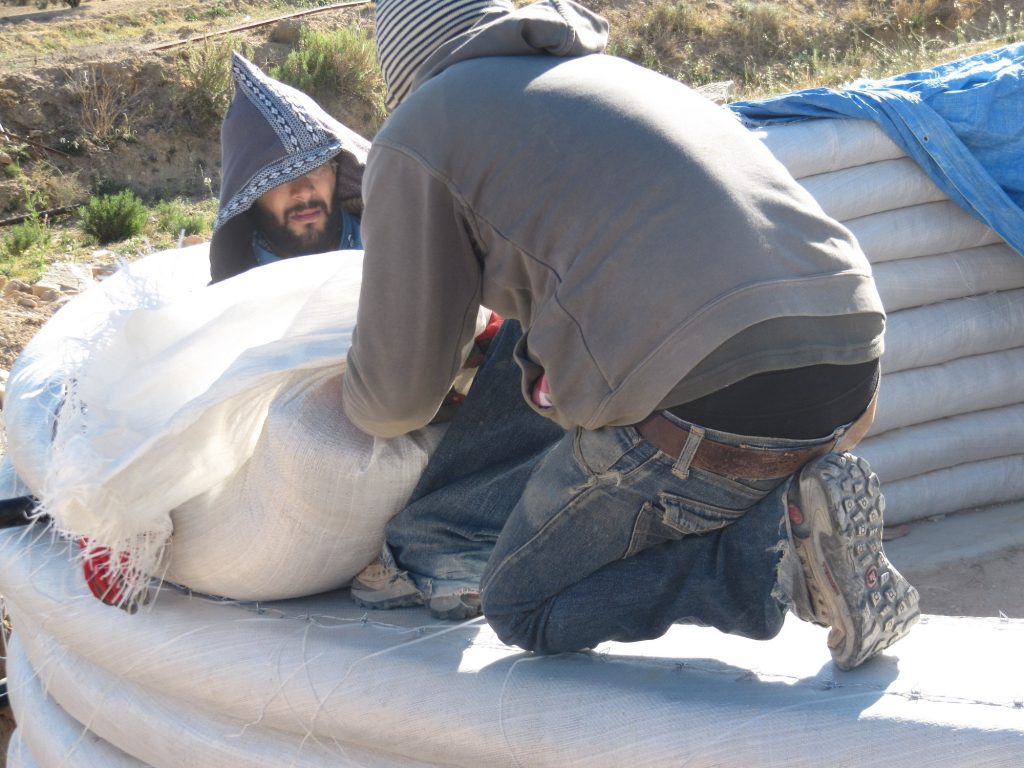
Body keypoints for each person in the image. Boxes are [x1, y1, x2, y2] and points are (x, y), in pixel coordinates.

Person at [342, 0, 920, 670]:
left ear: (403, 68)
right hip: (853, 369)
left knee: (522, 602)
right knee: (549, 365)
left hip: (714, 404)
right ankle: (800, 519)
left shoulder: (420, 127)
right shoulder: (614, 79)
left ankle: (773, 560)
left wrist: (347, 392)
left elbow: (395, 400)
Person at [208, 53, 369, 283]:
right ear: (249, 195)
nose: (303, 191)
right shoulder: (236, 297)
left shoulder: (392, 249)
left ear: (337, 170)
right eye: (279, 177)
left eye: (316, 168)